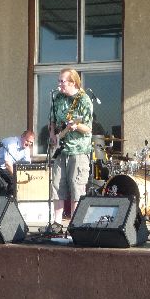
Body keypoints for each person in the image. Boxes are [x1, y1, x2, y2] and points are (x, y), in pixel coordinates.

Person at [49, 68, 93, 230]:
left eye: (62, 81)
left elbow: (88, 128)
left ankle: (74, 225)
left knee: (76, 188)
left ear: (73, 82)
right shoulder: (58, 97)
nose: (59, 85)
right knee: (57, 186)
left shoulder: (84, 99)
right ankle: (57, 223)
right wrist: (53, 134)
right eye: (59, 81)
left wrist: (76, 126)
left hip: (78, 150)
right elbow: (52, 119)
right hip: (61, 150)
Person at [0, 130, 35, 196]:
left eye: (31, 142)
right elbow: (8, 165)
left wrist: (30, 177)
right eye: (27, 140)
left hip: (2, 165)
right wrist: (17, 177)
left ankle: (10, 198)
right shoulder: (11, 144)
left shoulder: (26, 149)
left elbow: (27, 165)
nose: (28, 144)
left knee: (13, 182)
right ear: (22, 136)